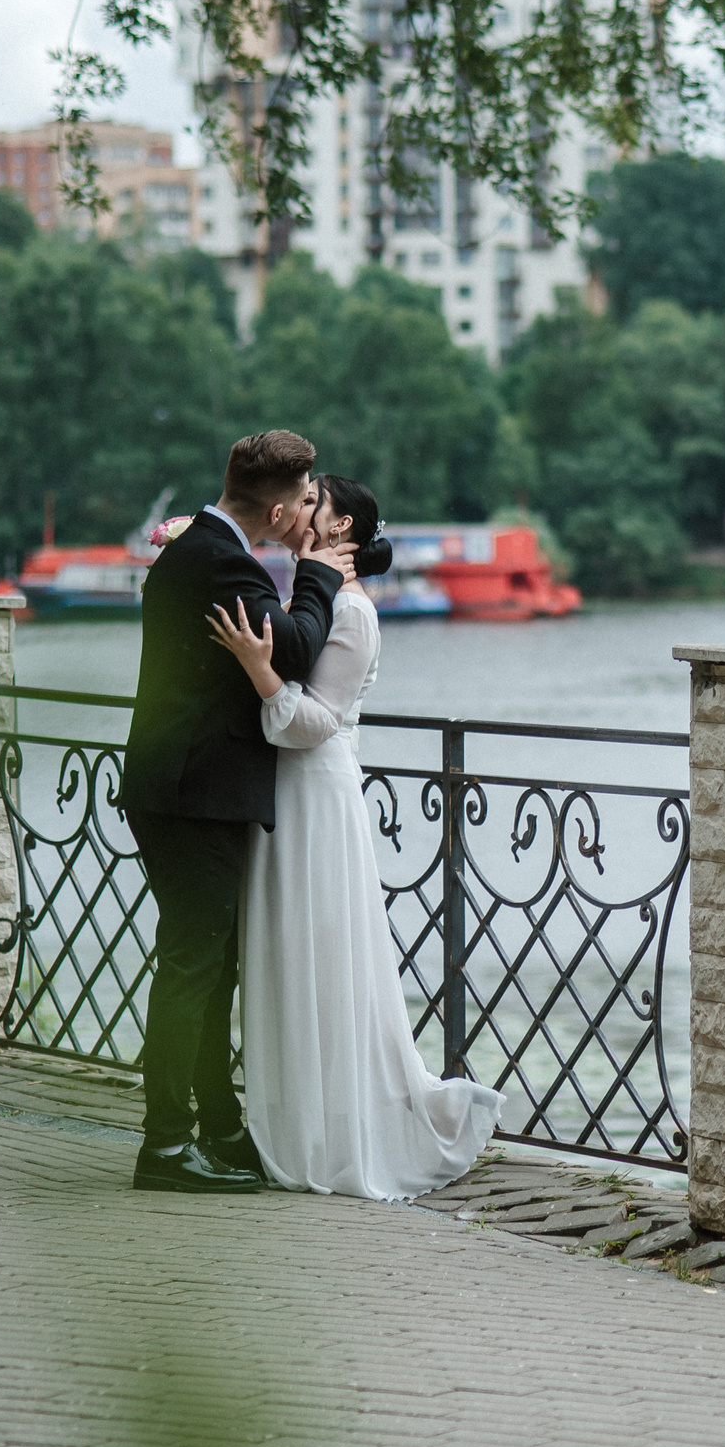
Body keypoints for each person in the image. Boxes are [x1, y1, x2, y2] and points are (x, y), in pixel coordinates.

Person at [205, 474, 504, 1199]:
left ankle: (335, 1132)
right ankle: (294, 1116)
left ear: (340, 530)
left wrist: (255, 667)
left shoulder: (354, 612)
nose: (300, 507)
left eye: (315, 502)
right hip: (285, 793)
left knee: (323, 953)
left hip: (317, 794)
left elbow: (315, 722)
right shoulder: (314, 593)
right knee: (285, 952)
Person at [123, 431, 354, 1193]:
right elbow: (291, 650)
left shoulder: (195, 549)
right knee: (193, 966)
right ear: (281, 507)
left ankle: (218, 1127)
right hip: (195, 793)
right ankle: (164, 1144)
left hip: (178, 786)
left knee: (208, 965)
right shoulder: (224, 561)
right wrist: (317, 575)